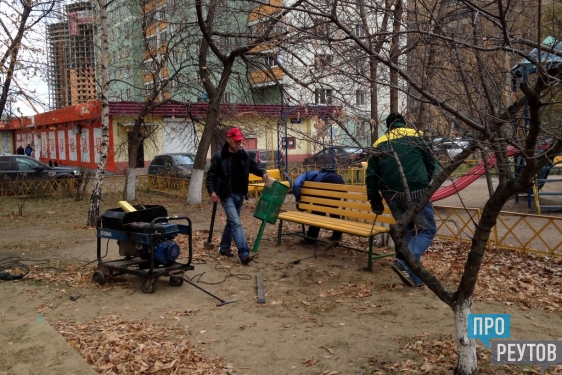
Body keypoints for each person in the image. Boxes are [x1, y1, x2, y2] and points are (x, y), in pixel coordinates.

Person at [366, 112, 436, 288]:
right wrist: (425, 183)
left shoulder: (379, 143)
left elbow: (371, 175)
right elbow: (431, 163)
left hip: (391, 194)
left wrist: (375, 200)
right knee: (427, 230)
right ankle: (403, 261)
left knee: (408, 232)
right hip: (417, 190)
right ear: (404, 124)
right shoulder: (417, 137)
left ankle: (415, 279)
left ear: (388, 126)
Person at [206, 127, 269, 265]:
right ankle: (244, 253)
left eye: (240, 141)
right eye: (236, 141)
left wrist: (263, 172)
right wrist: (212, 191)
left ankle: (223, 248)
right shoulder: (219, 156)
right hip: (226, 194)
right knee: (236, 222)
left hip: (239, 194)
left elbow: (254, 167)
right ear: (228, 139)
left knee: (231, 222)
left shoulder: (243, 155)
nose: (239, 144)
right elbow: (210, 177)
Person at [292, 169, 345, 243]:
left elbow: (296, 184)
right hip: (340, 181)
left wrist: (298, 199)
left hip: (326, 181)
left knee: (318, 211)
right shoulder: (317, 173)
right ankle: (337, 235)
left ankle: (311, 238)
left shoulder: (304, 175)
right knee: (334, 210)